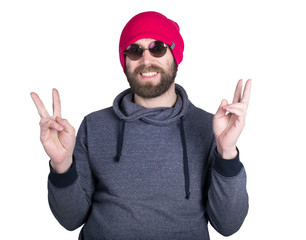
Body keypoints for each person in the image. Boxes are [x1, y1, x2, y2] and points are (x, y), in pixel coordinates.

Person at [31, 11, 251, 240]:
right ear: (124, 62)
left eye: (158, 48)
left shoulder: (209, 128)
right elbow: (70, 219)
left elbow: (228, 225)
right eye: (135, 51)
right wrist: (62, 165)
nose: (146, 60)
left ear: (176, 57)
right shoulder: (94, 125)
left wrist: (227, 154)